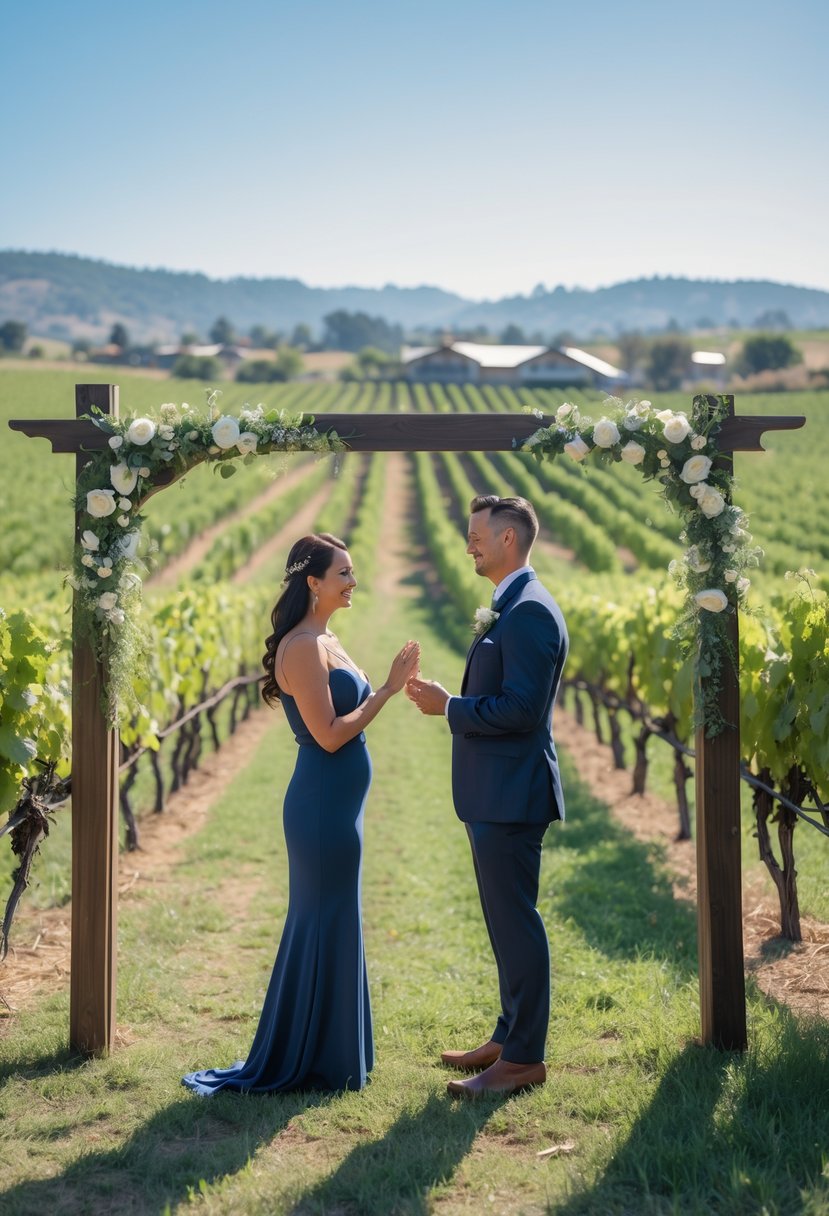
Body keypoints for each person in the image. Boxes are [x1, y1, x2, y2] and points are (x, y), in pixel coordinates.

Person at [182, 532, 420, 1095]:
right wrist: (387, 689)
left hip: (341, 806)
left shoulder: (327, 638)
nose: (352, 581)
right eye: (343, 573)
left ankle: (336, 1056)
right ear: (313, 582)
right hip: (321, 807)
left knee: (337, 918)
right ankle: (311, 1058)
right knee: (321, 920)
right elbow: (331, 736)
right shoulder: (302, 647)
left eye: (353, 572)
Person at [406, 496, 568, 1099]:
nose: (467, 544)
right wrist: (454, 700)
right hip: (495, 793)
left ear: (508, 539)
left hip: (511, 795)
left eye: (476, 535)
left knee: (517, 924)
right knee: (504, 923)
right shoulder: (514, 605)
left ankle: (524, 1058)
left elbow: (524, 711)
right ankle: (508, 1035)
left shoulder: (528, 612)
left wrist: (448, 707)